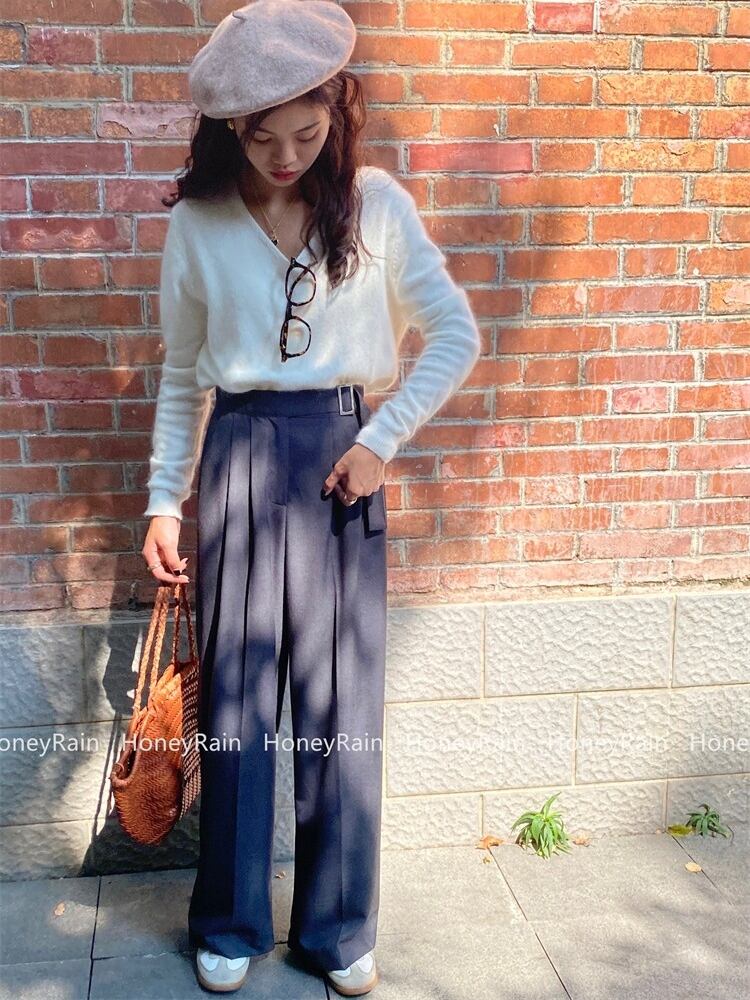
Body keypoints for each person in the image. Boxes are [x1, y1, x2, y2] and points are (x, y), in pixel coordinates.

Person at [140, 1, 481, 994]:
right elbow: (182, 376)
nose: (287, 155)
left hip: (342, 464)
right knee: (237, 705)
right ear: (229, 129)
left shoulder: (379, 207)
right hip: (241, 454)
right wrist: (165, 500)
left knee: (341, 705)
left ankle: (336, 928)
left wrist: (380, 441)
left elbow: (454, 334)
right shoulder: (199, 225)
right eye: (263, 137)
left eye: (308, 129)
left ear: (338, 108)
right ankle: (231, 923)